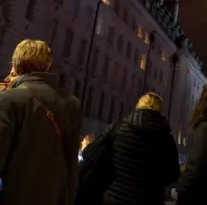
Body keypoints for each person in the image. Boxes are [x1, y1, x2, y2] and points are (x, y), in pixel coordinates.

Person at [0, 39, 82, 205]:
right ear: (47, 66)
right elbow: (71, 163)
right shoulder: (71, 104)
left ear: (15, 65)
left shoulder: (8, 100)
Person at [96, 92, 180, 205]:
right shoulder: (166, 138)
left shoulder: (119, 128)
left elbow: (98, 156)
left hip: (114, 198)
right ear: (160, 110)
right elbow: (172, 176)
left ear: (138, 106)